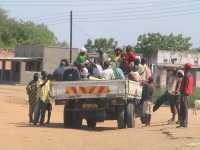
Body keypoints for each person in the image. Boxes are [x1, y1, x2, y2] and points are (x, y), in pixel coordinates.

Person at [178, 63, 193, 128]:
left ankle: (184, 124)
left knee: (184, 109)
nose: (184, 68)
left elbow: (186, 86)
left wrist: (182, 92)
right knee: (182, 109)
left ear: (186, 68)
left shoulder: (186, 76)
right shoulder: (190, 75)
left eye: (184, 67)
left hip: (185, 94)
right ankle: (182, 123)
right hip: (186, 94)